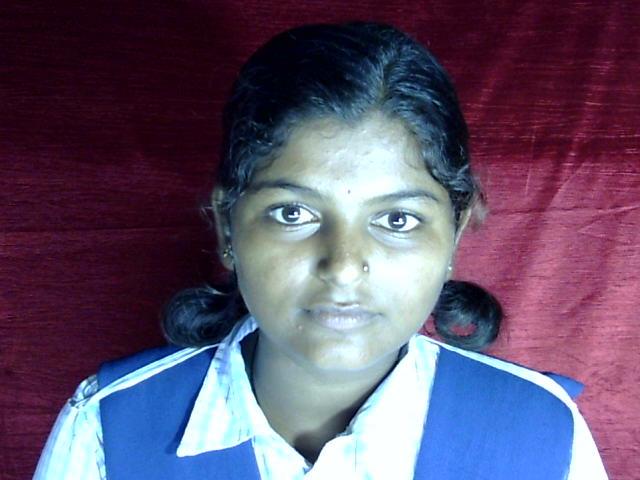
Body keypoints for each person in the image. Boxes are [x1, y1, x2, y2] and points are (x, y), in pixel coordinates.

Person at [34, 22, 608, 479]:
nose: (344, 266)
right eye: (293, 214)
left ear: (454, 235)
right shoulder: (109, 427)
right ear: (228, 227)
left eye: (397, 220)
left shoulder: (539, 433)